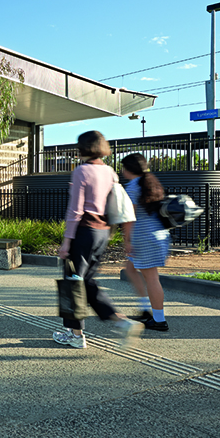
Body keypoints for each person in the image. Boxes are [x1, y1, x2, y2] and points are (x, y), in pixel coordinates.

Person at [53, 131, 143, 349]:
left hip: (84, 232)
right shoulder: (109, 171)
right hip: (103, 233)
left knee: (73, 280)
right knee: (86, 281)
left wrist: (66, 242)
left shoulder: (81, 171)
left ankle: (77, 335)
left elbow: (75, 210)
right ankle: (119, 321)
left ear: (83, 148)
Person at [120, 153, 170, 331]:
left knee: (151, 278)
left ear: (128, 169)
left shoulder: (133, 186)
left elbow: (129, 217)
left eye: (123, 167)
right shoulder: (151, 182)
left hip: (143, 237)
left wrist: (127, 240)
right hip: (158, 235)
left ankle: (159, 320)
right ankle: (144, 309)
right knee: (131, 269)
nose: (122, 171)